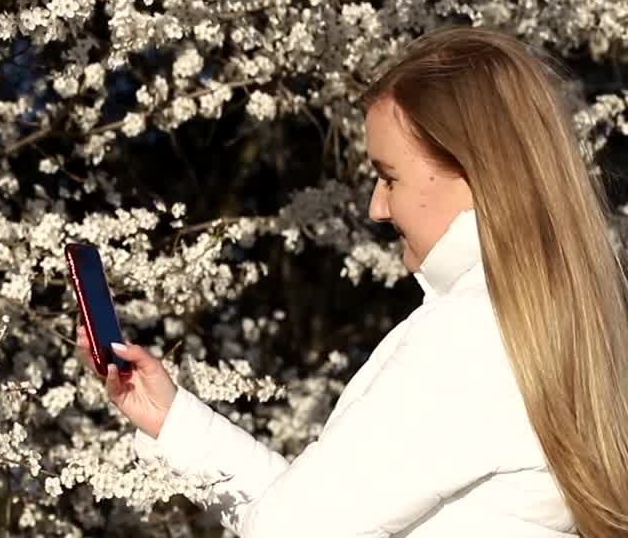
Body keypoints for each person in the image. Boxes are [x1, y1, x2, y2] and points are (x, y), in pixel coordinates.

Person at [79, 27, 628, 537]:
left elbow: (286, 531)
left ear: (474, 172)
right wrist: (174, 424)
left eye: (390, 177)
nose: (376, 207)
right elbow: (318, 511)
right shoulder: (551, 325)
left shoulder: (468, 336)